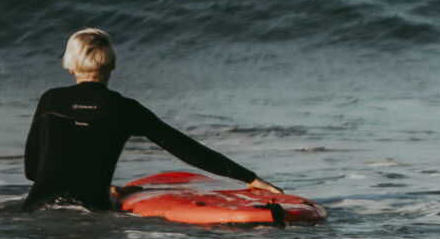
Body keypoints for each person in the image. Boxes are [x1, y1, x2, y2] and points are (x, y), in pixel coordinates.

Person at [22, 29, 280, 211]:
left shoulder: (50, 100)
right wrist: (250, 178)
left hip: (36, 210)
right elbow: (185, 148)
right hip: (94, 211)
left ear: (70, 67)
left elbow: (32, 170)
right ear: (112, 65)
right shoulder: (126, 108)